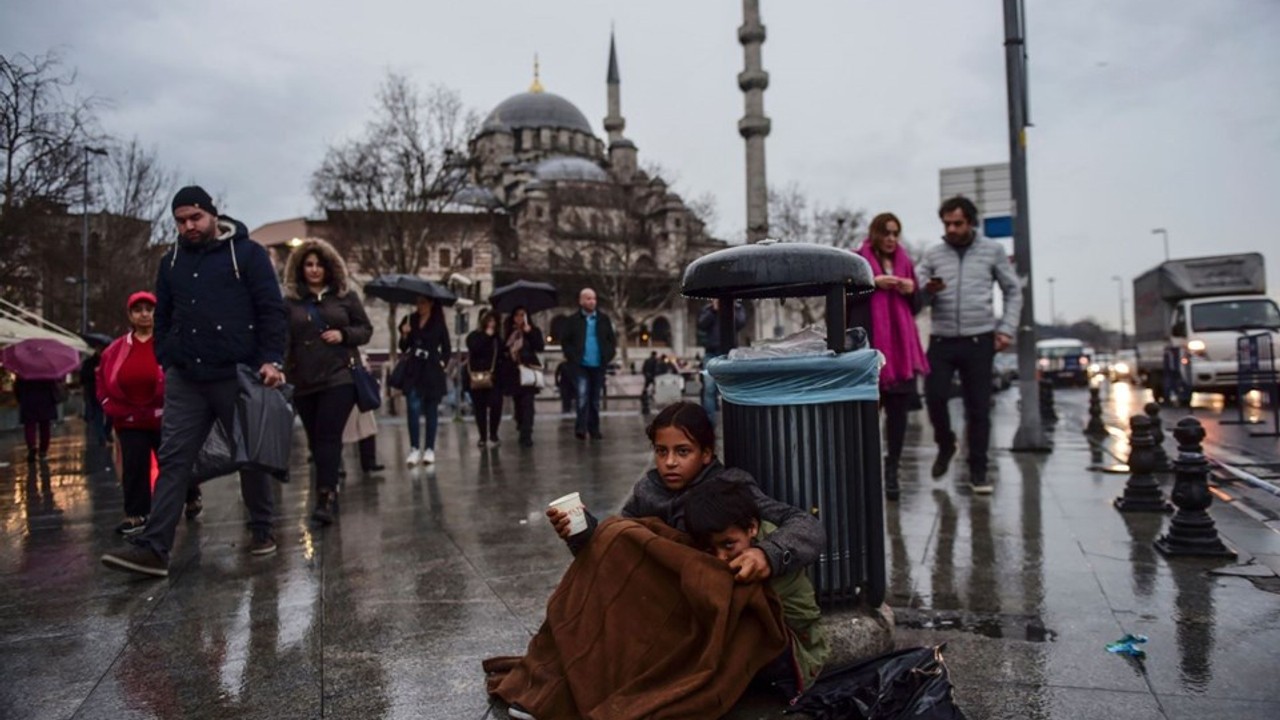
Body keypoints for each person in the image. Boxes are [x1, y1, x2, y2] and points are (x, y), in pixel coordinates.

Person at [101, 185, 287, 578]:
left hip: (237, 370)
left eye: (195, 218)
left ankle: (261, 528)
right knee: (173, 458)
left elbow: (271, 309)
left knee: (251, 453)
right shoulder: (171, 263)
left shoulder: (247, 254)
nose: (188, 226)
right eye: (181, 221)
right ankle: (155, 547)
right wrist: (168, 358)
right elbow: (163, 316)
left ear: (212, 215)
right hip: (187, 375)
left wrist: (271, 359)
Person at [547, 401, 824, 581]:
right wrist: (584, 532)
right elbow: (619, 550)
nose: (669, 462)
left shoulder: (730, 486)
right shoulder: (647, 490)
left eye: (682, 452)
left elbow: (806, 525)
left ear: (705, 453)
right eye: (661, 451)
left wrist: (767, 554)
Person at [683, 477, 830, 696]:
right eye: (711, 550)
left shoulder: (768, 555)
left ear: (752, 528)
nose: (721, 557)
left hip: (796, 654)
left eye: (728, 545)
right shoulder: (734, 534)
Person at [917, 196, 1022, 494]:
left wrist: (1006, 330)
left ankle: (978, 471)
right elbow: (915, 300)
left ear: (971, 222)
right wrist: (928, 291)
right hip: (942, 338)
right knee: (934, 396)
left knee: (978, 408)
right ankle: (946, 443)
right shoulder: (933, 254)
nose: (951, 228)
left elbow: (1013, 290)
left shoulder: (992, 251)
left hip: (980, 339)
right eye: (947, 223)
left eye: (957, 223)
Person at [282, 238, 373, 526]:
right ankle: (327, 485)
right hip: (304, 380)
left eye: (319, 264)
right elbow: (283, 340)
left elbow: (365, 329)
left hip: (339, 377)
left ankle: (325, 494)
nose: (314, 269)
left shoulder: (345, 298)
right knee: (315, 440)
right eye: (308, 264)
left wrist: (343, 335)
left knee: (328, 435)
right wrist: (281, 370)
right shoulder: (290, 303)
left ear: (329, 267)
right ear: (300, 268)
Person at [97, 291, 203, 535]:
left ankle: (191, 495)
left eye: (149, 309)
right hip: (130, 418)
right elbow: (101, 378)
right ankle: (136, 513)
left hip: (166, 416)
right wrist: (106, 403)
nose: (144, 314)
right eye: (138, 310)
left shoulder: (169, 342)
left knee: (174, 462)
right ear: (130, 315)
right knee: (134, 465)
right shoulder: (115, 349)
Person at [856, 212, 929, 501]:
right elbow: (846, 299)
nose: (891, 239)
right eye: (886, 233)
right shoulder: (858, 260)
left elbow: (917, 307)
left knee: (898, 418)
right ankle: (864, 471)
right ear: (875, 233)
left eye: (896, 233)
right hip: (871, 350)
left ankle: (892, 471)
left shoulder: (905, 262)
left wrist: (912, 290)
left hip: (900, 355)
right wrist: (873, 283)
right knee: (866, 418)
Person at [399, 295, 451, 465]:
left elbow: (446, 347)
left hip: (432, 368)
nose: (419, 306)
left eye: (422, 302)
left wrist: (442, 363)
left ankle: (429, 449)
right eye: (417, 302)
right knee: (412, 407)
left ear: (430, 304)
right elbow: (403, 347)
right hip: (414, 368)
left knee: (431, 409)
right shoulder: (410, 319)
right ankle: (414, 448)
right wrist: (404, 335)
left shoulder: (438, 322)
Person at [558, 288, 617, 440]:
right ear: (581, 301)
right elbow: (565, 341)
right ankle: (581, 428)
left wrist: (608, 355)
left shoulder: (603, 319)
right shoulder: (573, 320)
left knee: (595, 399)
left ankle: (594, 429)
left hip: (598, 364)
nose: (592, 302)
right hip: (580, 365)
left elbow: (611, 340)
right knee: (582, 396)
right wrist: (572, 357)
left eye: (594, 299)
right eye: (589, 299)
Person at [697, 298, 747, 427]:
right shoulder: (708, 309)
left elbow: (740, 322)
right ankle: (709, 424)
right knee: (709, 389)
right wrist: (714, 310)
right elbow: (702, 324)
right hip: (711, 353)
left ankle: (735, 422)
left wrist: (730, 308)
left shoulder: (737, 307)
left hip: (730, 353)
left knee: (733, 388)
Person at [500, 306, 546, 448]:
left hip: (528, 369)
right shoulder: (508, 332)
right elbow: (503, 348)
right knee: (518, 402)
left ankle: (527, 433)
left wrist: (529, 333)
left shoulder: (532, 330)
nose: (520, 318)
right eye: (517, 315)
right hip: (513, 371)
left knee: (528, 402)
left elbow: (539, 346)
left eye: (522, 315)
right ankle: (520, 423)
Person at [466, 310, 505, 448]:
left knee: (496, 405)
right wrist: (486, 336)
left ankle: (493, 434)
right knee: (479, 408)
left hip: (494, 378)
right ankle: (482, 436)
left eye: (493, 321)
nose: (491, 324)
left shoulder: (498, 339)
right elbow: (474, 348)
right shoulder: (474, 337)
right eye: (488, 321)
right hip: (477, 376)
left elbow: (502, 355)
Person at [14, 375, 60, 462]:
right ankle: (43, 451)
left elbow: (18, 386)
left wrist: (20, 398)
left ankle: (32, 446)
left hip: (29, 399)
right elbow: (53, 385)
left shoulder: (24, 368)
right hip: (45, 399)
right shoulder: (47, 368)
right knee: (45, 426)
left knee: (30, 425)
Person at [79, 347, 111, 446]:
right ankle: (102, 436)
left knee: (110, 414)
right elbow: (83, 378)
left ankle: (105, 432)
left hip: (107, 391)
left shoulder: (109, 360)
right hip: (94, 391)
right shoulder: (89, 363)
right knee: (98, 414)